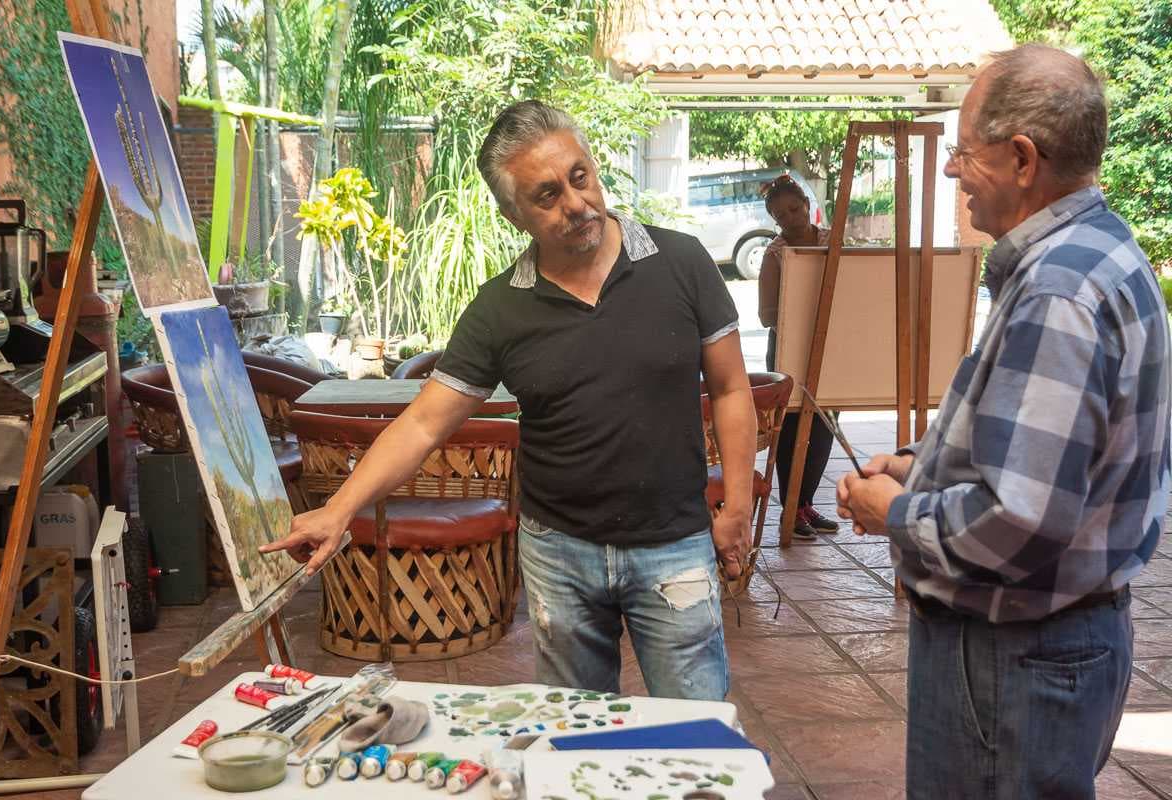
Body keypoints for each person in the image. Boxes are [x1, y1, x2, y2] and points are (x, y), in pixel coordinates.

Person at [263, 100, 757, 701]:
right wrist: (338, 509)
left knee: (696, 731)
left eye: (581, 177)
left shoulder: (682, 263)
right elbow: (421, 425)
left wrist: (736, 504)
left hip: (673, 542)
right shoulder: (499, 309)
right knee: (576, 728)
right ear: (512, 214)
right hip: (560, 554)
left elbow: (731, 389)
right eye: (546, 196)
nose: (576, 204)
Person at [836, 44, 1171, 798]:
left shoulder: (1057, 290)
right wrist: (920, 463)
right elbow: (1046, 451)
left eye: (962, 151)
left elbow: (1018, 519)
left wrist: (897, 511)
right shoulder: (1105, 251)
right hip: (1055, 646)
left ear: (1022, 159)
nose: (952, 171)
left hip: (1013, 659)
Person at [757, 174, 840, 540]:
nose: (789, 218)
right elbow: (765, 315)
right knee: (790, 428)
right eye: (779, 215)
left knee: (825, 426)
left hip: (831, 347)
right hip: (789, 348)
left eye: (793, 209)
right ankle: (790, 511)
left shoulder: (833, 243)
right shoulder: (775, 254)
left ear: (807, 205)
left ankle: (804, 504)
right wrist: (801, 313)